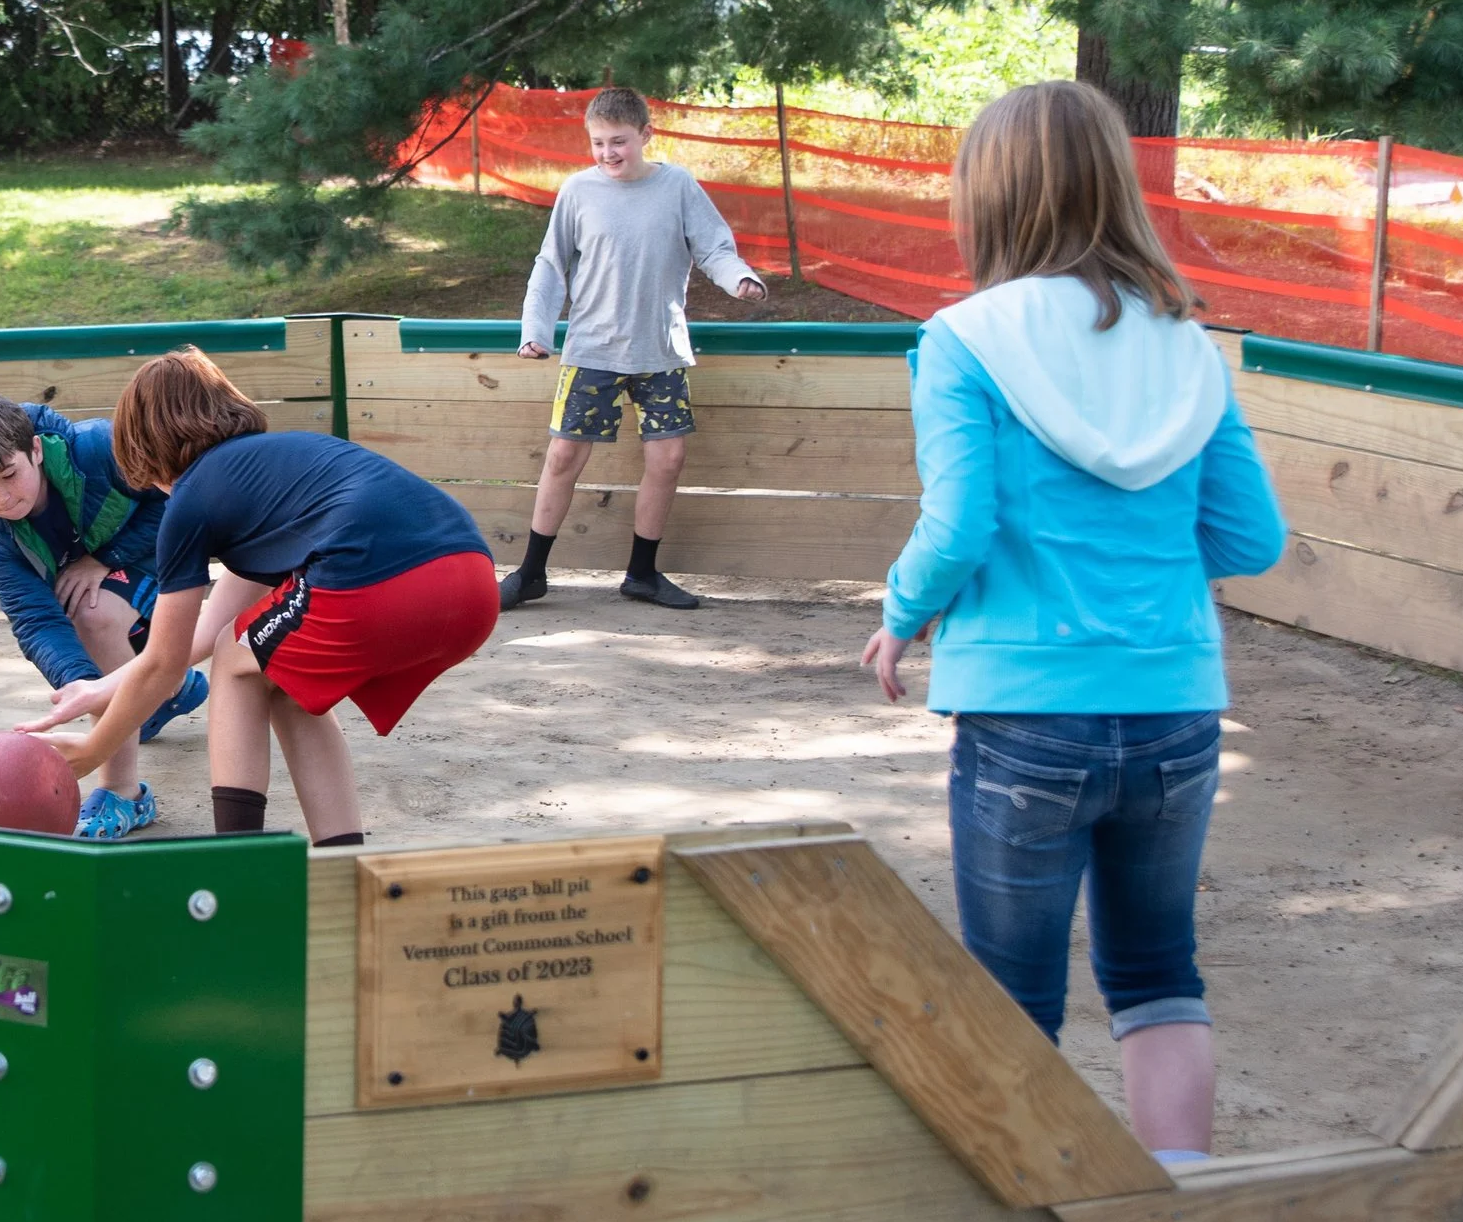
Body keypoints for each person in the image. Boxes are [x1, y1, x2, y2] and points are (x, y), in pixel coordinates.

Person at [861, 80, 1286, 1164]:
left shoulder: (961, 339)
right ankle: (1183, 1204)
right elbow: (1249, 537)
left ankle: (1030, 1209)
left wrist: (900, 614)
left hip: (1021, 715)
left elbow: (957, 526)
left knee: (1008, 996)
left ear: (986, 196)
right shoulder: (1189, 345)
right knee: (1156, 972)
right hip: (1175, 706)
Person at [23, 349, 496, 846]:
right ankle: (342, 860)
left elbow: (165, 662)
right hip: (471, 585)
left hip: (378, 581)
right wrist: (101, 689)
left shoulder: (192, 498)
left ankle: (236, 861)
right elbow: (197, 633)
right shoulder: (274, 472)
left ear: (142, 449)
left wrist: (97, 747)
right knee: (280, 678)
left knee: (236, 652)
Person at [498, 86, 767, 613]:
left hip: (660, 349)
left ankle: (642, 573)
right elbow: (550, 266)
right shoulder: (578, 191)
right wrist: (536, 330)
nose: (607, 153)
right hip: (592, 350)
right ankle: (531, 573)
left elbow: (713, 246)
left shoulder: (678, 186)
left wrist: (739, 278)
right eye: (597, 143)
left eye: (618, 141)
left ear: (646, 135)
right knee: (563, 455)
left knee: (668, 457)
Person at [0, 393, 211, 838]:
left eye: (9, 475)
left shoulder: (99, 448)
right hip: (107, 579)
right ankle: (168, 692)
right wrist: (80, 685)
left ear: (36, 451)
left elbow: (176, 500)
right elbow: (33, 618)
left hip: (163, 560)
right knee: (80, 613)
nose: (1, 498)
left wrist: (108, 558)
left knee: (92, 612)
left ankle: (125, 793)